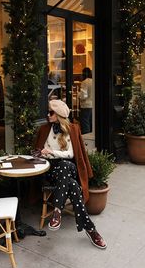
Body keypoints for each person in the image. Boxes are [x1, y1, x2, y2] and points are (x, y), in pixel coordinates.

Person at [34, 99, 107, 249]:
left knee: (65, 165)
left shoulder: (72, 129)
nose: (48, 114)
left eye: (51, 112)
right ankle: (91, 229)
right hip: (51, 170)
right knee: (72, 186)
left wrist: (52, 152)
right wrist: (43, 153)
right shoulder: (44, 129)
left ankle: (57, 211)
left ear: (59, 115)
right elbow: (38, 153)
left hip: (68, 167)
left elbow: (71, 154)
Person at [79, 67, 93, 134]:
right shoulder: (93, 81)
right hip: (92, 105)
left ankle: (85, 141)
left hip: (86, 105)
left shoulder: (85, 82)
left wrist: (78, 94)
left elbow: (83, 96)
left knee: (85, 124)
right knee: (91, 123)